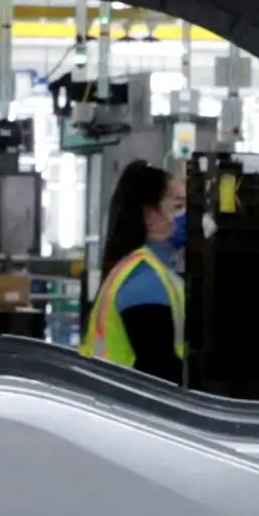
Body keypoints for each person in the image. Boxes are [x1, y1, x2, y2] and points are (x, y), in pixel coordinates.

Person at [84, 157, 186, 379]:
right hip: (128, 408)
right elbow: (159, 368)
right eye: (178, 206)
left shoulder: (155, 271)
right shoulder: (144, 280)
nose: (187, 215)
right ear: (151, 216)